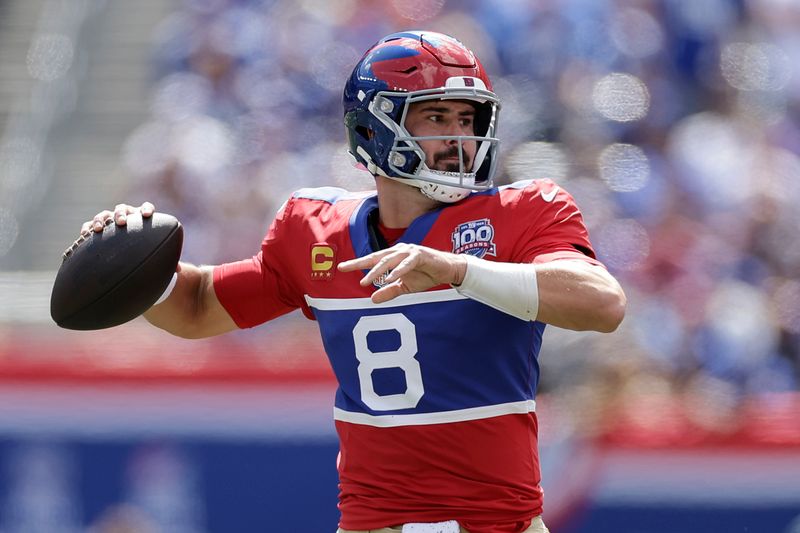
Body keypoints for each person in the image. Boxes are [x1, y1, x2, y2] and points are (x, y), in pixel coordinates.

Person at [83, 31, 626, 533]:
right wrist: (133, 260)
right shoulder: (313, 229)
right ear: (373, 127)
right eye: (436, 117)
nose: (459, 137)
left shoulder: (523, 210)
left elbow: (601, 303)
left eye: (468, 118)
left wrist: (460, 272)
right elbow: (199, 306)